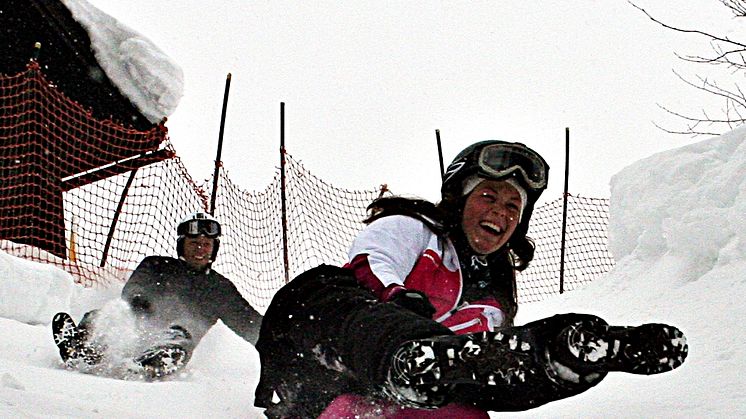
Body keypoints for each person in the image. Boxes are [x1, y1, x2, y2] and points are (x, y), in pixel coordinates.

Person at [253, 140, 688, 418]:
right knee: (319, 287)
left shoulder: (497, 292)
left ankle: (568, 355)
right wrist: (400, 298)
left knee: (475, 395)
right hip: (329, 377)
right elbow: (371, 262)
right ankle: (414, 360)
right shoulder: (414, 229)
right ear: (460, 197)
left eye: (513, 207)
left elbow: (486, 366)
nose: (501, 212)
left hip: (411, 403)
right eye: (488, 196)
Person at [52, 211, 262, 380]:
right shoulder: (156, 265)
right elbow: (132, 292)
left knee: (179, 333)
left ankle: (150, 365)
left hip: (171, 345)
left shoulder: (221, 289)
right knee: (107, 314)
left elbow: (251, 325)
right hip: (132, 331)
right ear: (182, 245)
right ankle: (81, 350)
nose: (200, 249)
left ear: (214, 249)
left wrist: (285, 338)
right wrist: (141, 305)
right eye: (194, 243)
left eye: (206, 245)